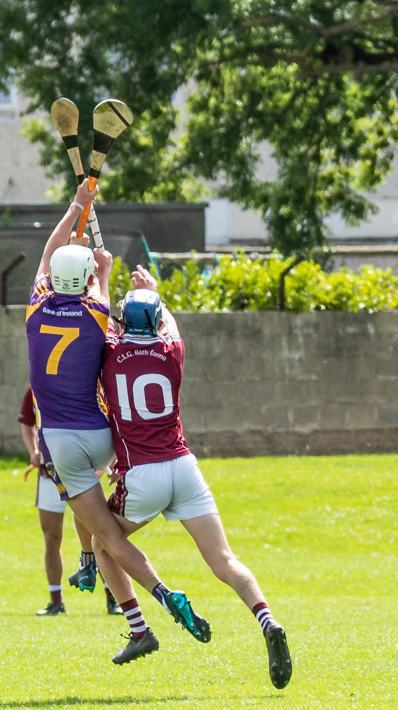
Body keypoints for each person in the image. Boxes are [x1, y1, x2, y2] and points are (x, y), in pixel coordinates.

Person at [26, 179, 210, 665]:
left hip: (62, 442)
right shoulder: (98, 312)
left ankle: (157, 594)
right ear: (88, 279)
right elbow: (96, 277)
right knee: (103, 514)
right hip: (104, 435)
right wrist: (102, 265)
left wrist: (76, 208)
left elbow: (48, 255)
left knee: (103, 529)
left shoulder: (35, 309)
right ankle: (103, 583)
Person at [94, 265, 293, 688]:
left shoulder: (109, 355)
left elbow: (103, 317)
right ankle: (267, 620)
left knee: (103, 542)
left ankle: (139, 627)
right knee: (224, 560)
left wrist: (104, 276)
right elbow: (169, 322)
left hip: (142, 474)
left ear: (124, 322)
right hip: (184, 467)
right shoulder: (171, 352)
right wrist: (154, 292)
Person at [18, 385, 122, 615]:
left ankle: (113, 598)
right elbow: (27, 421)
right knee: (51, 537)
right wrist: (33, 450)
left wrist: (105, 461)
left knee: (100, 535)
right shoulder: (37, 386)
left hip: (83, 472)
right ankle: (56, 601)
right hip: (49, 472)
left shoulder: (87, 384)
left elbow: (109, 419)